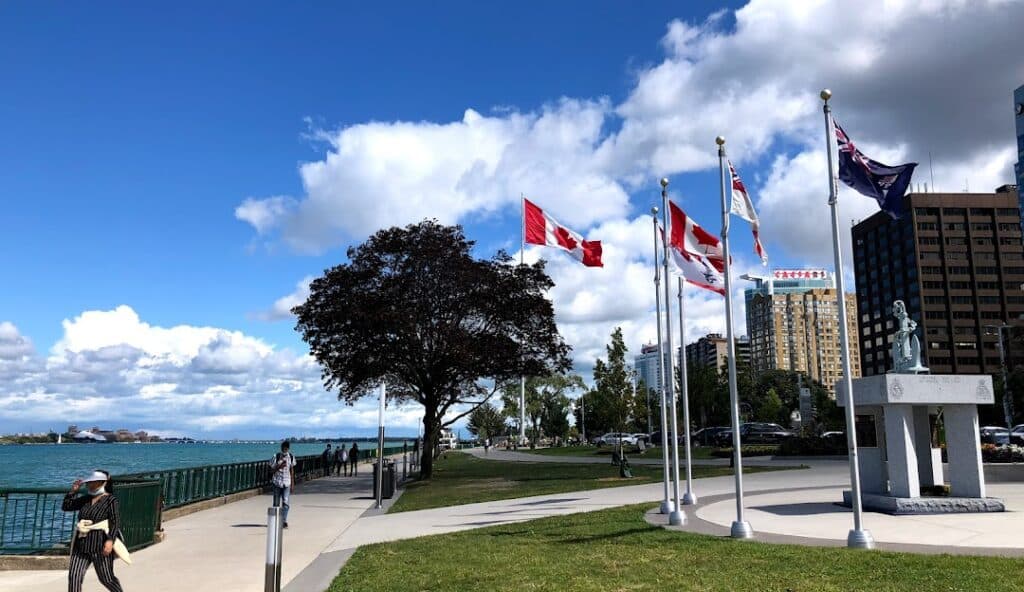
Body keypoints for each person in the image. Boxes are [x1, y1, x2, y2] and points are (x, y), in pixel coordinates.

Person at [63, 469, 125, 592]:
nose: (89, 485)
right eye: (89, 483)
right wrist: (72, 491)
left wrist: (110, 541)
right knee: (74, 576)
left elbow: (115, 522)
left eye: (93, 482)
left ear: (102, 483)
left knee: (106, 579)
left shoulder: (111, 501)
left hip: (100, 545)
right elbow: (66, 506)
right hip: (81, 545)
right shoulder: (85, 499)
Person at [270, 441, 295, 528]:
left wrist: (292, 483)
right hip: (277, 482)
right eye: (284, 448)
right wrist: (279, 466)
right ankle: (276, 521)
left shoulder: (291, 457)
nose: (285, 450)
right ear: (281, 448)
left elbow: (291, 470)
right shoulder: (276, 457)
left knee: (286, 503)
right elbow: (271, 471)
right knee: (276, 503)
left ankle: (284, 521)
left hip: (287, 482)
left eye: (286, 448)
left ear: (288, 448)